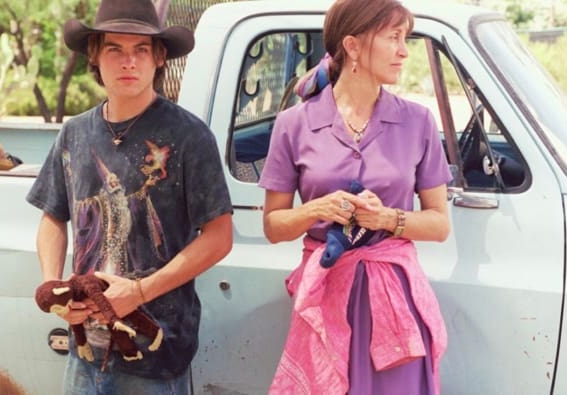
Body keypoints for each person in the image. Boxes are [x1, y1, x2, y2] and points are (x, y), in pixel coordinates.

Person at [26, 0, 233, 393]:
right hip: (83, 351)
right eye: (115, 49)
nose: (128, 62)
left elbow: (219, 236)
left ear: (158, 58)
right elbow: (53, 216)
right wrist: (53, 286)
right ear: (95, 55)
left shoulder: (189, 136)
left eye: (141, 50)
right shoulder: (74, 134)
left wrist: (138, 292)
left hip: (158, 353)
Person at [258, 0, 452, 394]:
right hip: (326, 297)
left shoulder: (418, 122)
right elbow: (274, 227)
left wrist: (387, 219)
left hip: (394, 303)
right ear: (353, 45)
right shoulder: (294, 124)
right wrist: (318, 208)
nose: (403, 51)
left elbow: (439, 223)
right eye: (393, 38)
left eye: (405, 38)